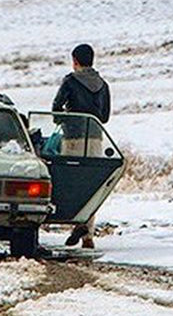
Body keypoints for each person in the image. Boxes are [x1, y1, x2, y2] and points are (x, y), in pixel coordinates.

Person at [51, 43, 110, 249]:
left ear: (75, 61)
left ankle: (76, 222)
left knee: (71, 182)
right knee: (91, 185)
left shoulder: (69, 81)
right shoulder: (103, 85)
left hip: (73, 138)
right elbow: (105, 117)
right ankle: (88, 234)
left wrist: (65, 117)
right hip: (95, 138)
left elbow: (55, 108)